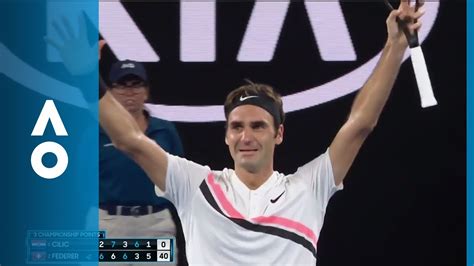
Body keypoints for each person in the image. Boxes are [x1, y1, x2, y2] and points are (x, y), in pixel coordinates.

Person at [98, 1, 424, 264]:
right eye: (237, 127)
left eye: (258, 126)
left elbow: (360, 124)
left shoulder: (309, 188)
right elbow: (129, 140)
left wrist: (395, 46)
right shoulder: (193, 184)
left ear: (278, 134)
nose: (246, 136)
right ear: (226, 135)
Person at [99, 60, 186, 265]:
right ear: (109, 93)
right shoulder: (96, 132)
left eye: (136, 85)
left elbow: (180, 182)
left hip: (156, 224)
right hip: (110, 224)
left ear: (146, 92)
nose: (130, 92)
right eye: (121, 85)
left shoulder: (164, 131)